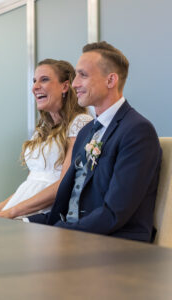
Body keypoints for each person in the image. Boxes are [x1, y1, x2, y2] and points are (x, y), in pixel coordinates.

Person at [26, 41, 162, 243]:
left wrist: (59, 233)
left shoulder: (138, 131)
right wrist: (26, 221)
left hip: (115, 245)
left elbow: (114, 214)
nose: (74, 84)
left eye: (83, 75)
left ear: (111, 80)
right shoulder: (86, 132)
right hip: (75, 236)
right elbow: (67, 204)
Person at [0, 59, 92, 219]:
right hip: (21, 210)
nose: (35, 87)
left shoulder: (80, 122)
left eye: (44, 79)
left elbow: (64, 184)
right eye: (34, 81)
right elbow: (32, 184)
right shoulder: (42, 130)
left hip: (47, 214)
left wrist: (10, 213)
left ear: (65, 86)